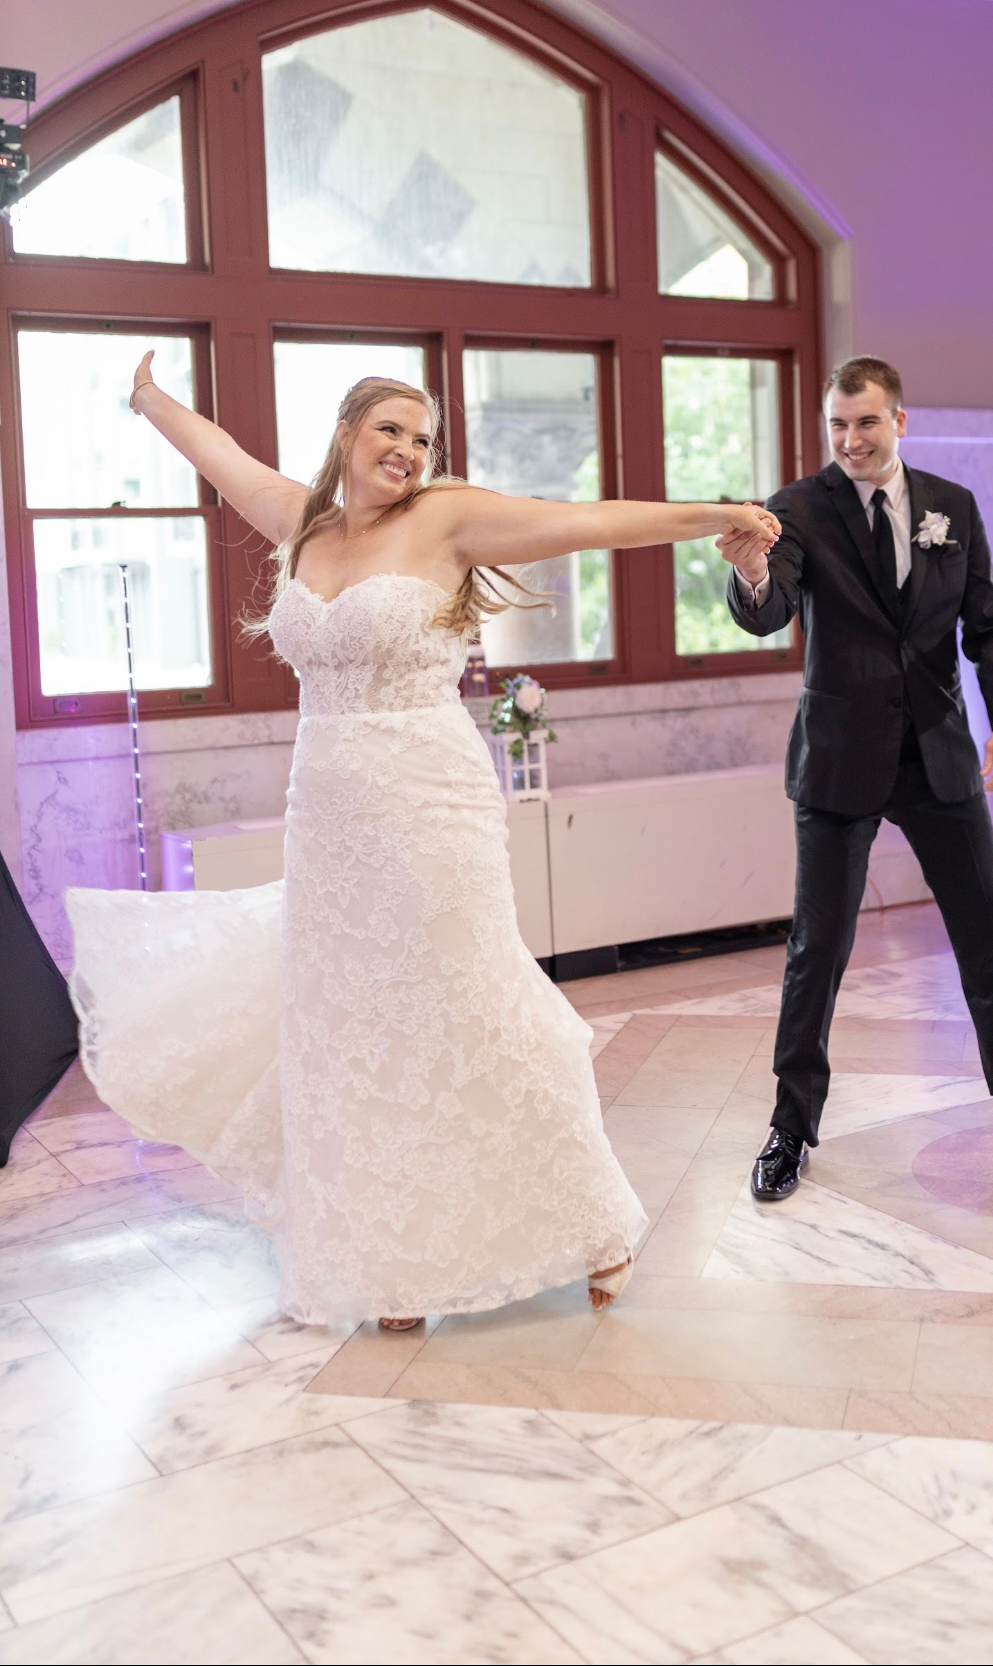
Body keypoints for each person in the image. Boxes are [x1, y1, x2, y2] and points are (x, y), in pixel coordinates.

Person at [67, 356, 779, 1327]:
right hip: (324, 818)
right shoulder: (304, 525)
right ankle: (387, 1262)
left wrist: (713, 515)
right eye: (390, 431)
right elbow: (221, 456)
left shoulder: (444, 518)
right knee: (349, 1032)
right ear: (349, 437)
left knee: (476, 1007)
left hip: (430, 805)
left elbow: (587, 521)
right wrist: (147, 398)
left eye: (422, 438)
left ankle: (593, 1224)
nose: (407, 450)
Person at [717, 355, 993, 1205]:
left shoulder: (953, 505)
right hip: (838, 757)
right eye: (837, 423)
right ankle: (790, 1126)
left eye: (865, 421)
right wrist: (751, 569)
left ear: (899, 422)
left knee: (988, 928)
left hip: (938, 751)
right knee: (816, 951)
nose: (850, 439)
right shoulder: (796, 508)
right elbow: (770, 609)